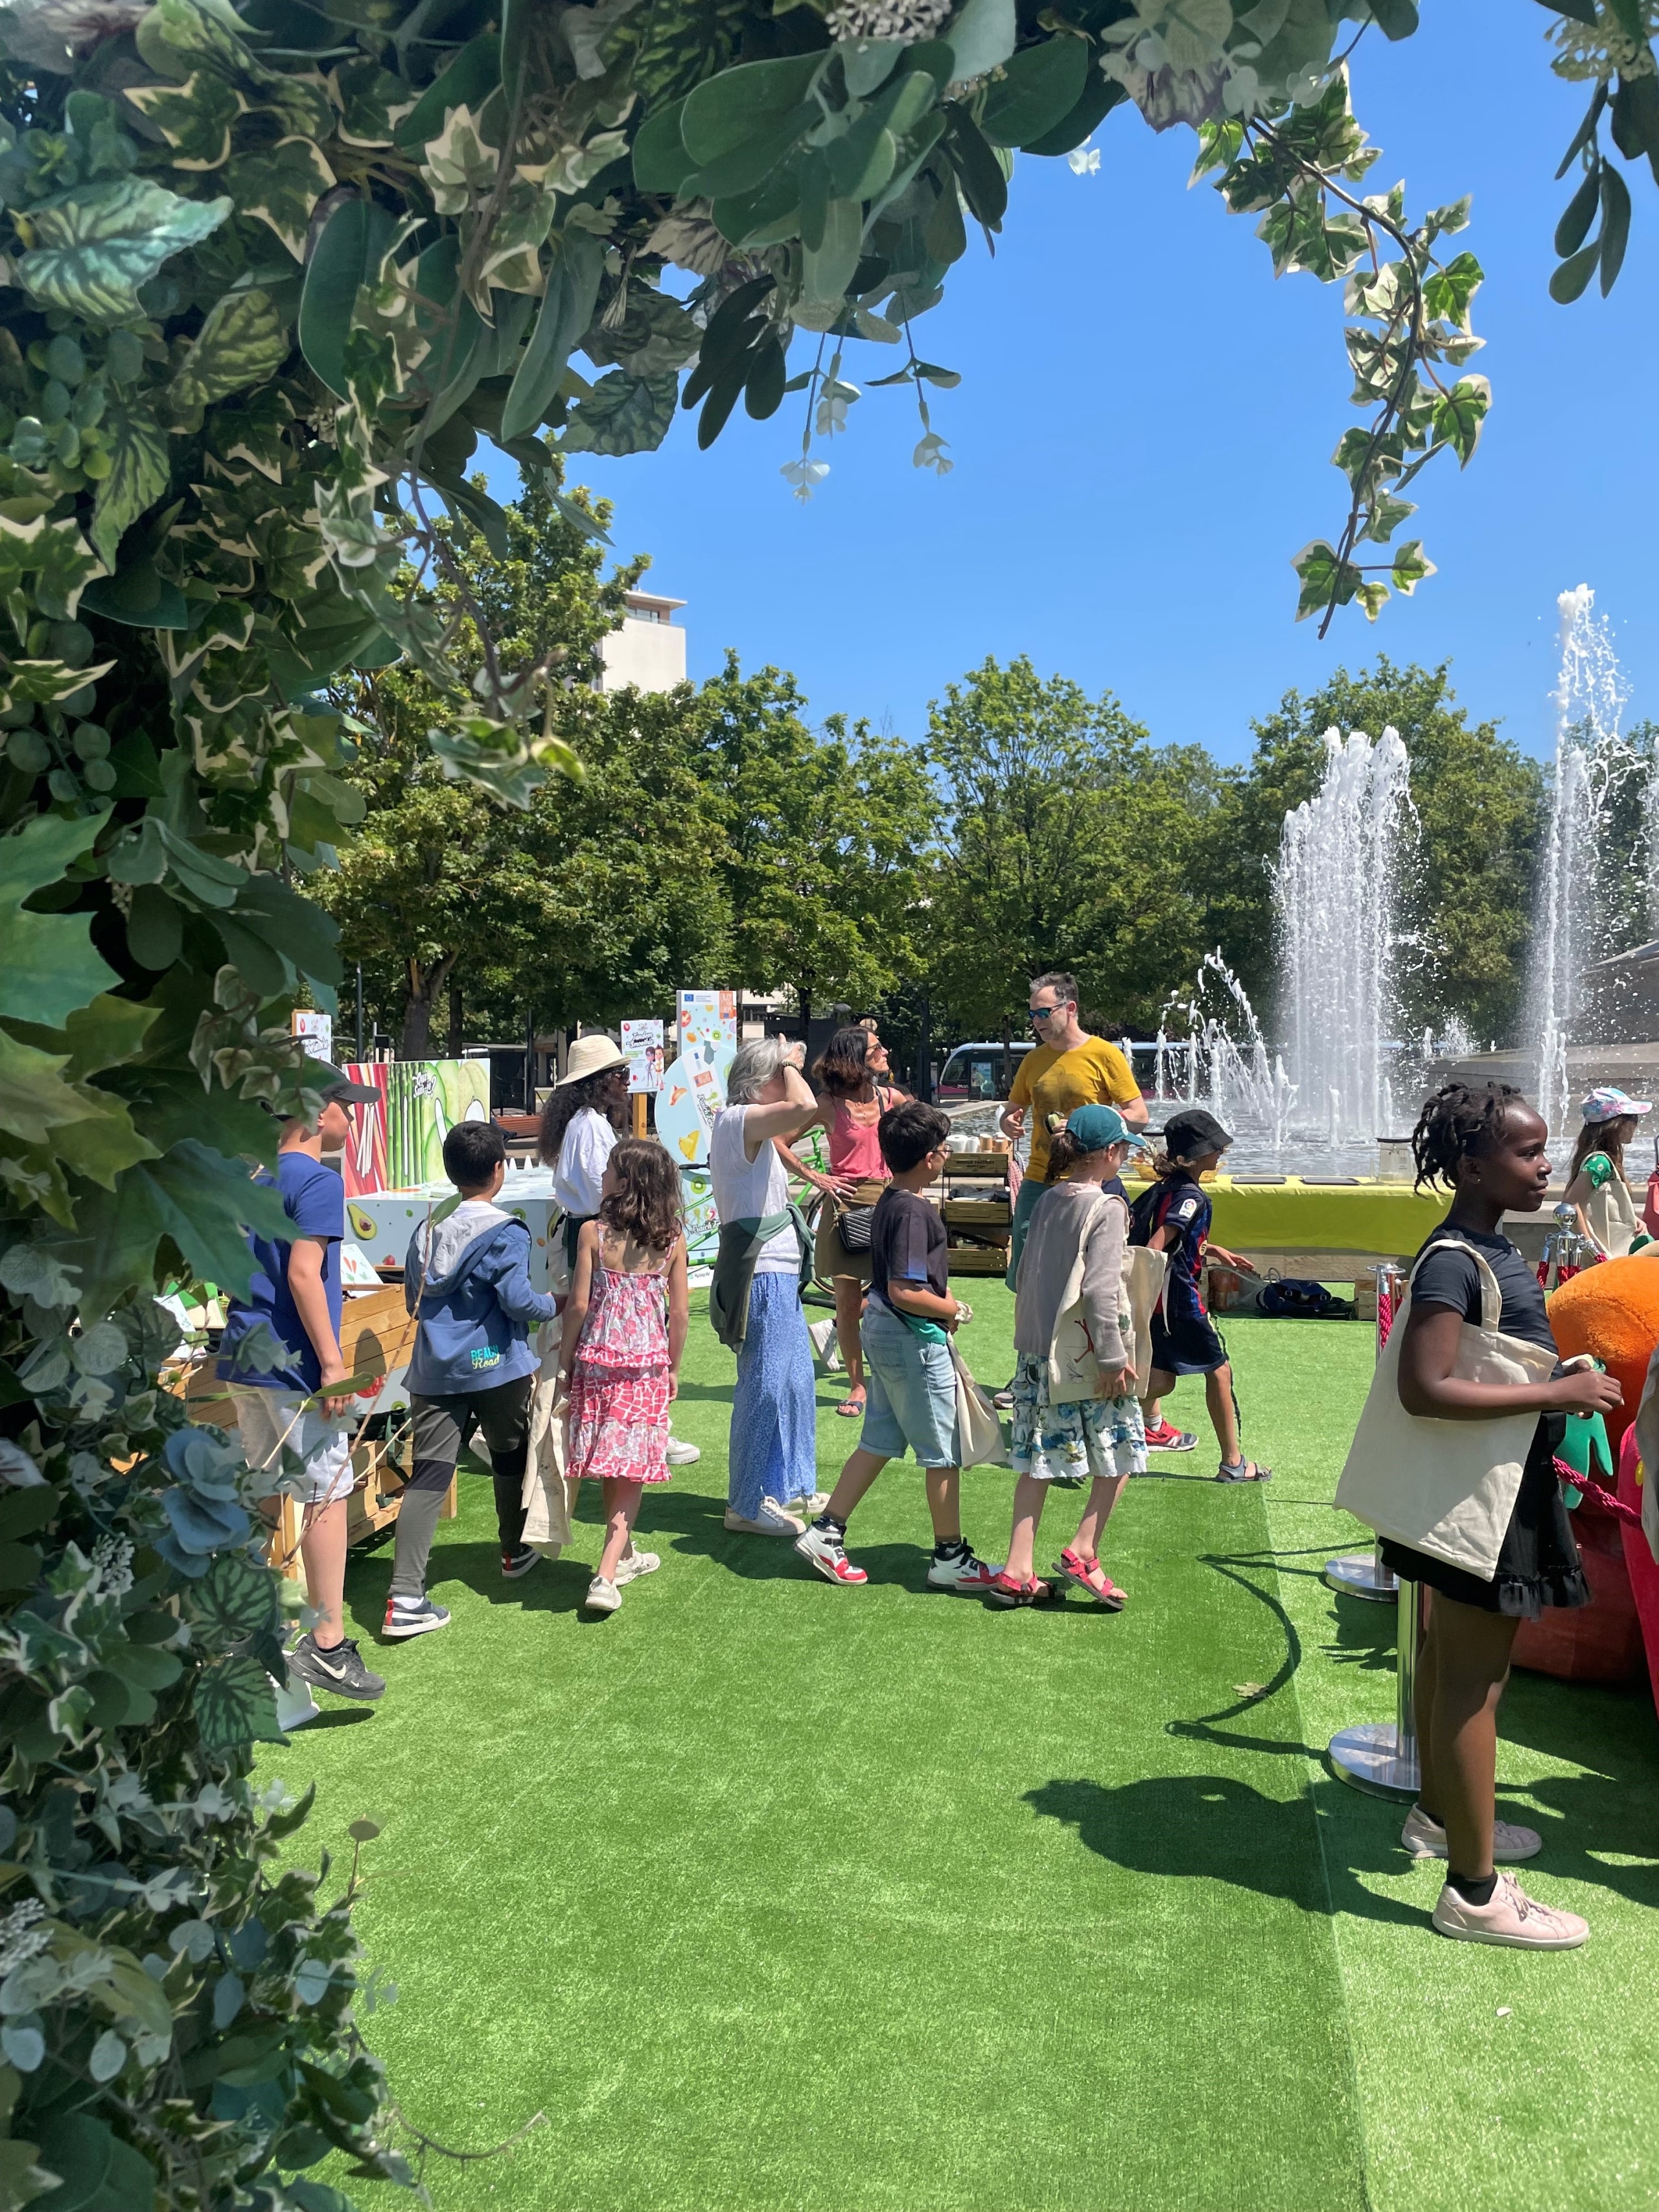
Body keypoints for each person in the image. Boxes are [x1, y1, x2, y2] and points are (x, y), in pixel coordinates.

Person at [1390, 1080, 1620, 1950]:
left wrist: (1549, 1394)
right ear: (1472, 1166)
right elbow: (1425, 1385)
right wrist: (1561, 1389)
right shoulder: (1457, 1256)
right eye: (1527, 1154)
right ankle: (1475, 1892)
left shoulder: (1481, 1244)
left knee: (1456, 1664)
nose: (1544, 1166)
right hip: (1481, 1506)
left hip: (1485, 1491)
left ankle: (1441, 1822)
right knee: (1472, 1686)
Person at [218, 1067, 387, 1704]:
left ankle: (252, 1623)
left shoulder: (249, 1178)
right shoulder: (318, 1179)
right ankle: (327, 1644)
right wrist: (334, 1362)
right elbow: (303, 1273)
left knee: (265, 1489)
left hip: (245, 1354)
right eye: (347, 1103)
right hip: (294, 1362)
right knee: (326, 1491)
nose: (354, 1114)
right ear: (318, 1111)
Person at [793, 1101, 1000, 1592]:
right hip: (911, 1335)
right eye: (943, 1147)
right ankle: (950, 1553)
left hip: (884, 1327)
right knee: (942, 1451)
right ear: (929, 1157)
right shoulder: (913, 1208)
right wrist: (953, 1310)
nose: (947, 1153)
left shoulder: (890, 1199)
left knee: (880, 1440)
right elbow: (909, 1288)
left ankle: (828, 1530)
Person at [382, 1119, 562, 1639]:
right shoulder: (506, 1231)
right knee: (511, 1455)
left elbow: (413, 1294)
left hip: (434, 1370)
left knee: (430, 1475)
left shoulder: (427, 1229)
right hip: (496, 1366)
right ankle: (514, 1548)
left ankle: (404, 1595)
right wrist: (557, 1303)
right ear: (500, 1170)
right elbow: (519, 1302)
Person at [990, 1105, 1149, 1608]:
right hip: (1086, 1351)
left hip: (1039, 1349)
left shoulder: (1048, 1200)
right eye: (1123, 1148)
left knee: (1037, 1458)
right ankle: (1084, 1547)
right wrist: (1113, 1355)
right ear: (1110, 1153)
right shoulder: (1107, 1207)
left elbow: (1030, 1273)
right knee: (1123, 1448)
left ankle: (1018, 1566)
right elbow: (1103, 1289)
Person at [538, 1034, 700, 1469]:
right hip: (592, 1234)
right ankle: (627, 1424)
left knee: (598, 1333)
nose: (627, 1082)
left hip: (586, 1232)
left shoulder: (586, 1122)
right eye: (619, 1075)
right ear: (598, 1082)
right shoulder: (590, 1125)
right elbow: (602, 1191)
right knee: (602, 1332)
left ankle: (621, 1421)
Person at [561, 1139, 689, 1614]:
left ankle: (621, 1555)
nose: (603, 1176)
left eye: (611, 1169)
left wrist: (567, 1358)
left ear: (626, 1182)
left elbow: (578, 1305)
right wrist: (674, 1366)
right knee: (629, 1468)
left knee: (609, 1465)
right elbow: (679, 1313)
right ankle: (608, 1570)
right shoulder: (672, 1238)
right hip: (645, 1364)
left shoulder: (593, 1233)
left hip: (598, 1361)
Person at [709, 1037, 824, 1535]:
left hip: (775, 1268)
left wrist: (787, 1063)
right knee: (764, 1385)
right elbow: (805, 1104)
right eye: (781, 1074)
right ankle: (747, 1501)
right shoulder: (737, 1119)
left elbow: (803, 1112)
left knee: (795, 1381)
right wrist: (791, 1060)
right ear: (760, 1085)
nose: (792, 1079)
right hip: (763, 1271)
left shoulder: (746, 1122)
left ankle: (790, 1482)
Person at [1131, 1108, 1269, 1484]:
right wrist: (1151, 1281)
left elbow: (1161, 1234)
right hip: (1176, 1300)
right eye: (1214, 1148)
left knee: (1161, 1380)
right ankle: (1233, 1463)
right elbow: (1160, 1242)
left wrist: (1211, 1249)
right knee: (1219, 1371)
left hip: (1158, 1300)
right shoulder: (1191, 1196)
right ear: (1192, 1157)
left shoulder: (1162, 1189)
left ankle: (1104, 1415)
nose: (1220, 1153)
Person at [999, 973, 1148, 1296]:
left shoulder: (1105, 1054)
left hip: (1093, 1181)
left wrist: (1086, 1123)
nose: (1036, 1021)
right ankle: (1033, 1343)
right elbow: (1011, 1110)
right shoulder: (1033, 1060)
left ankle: (1083, 1341)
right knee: (1026, 1276)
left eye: (1043, 1012)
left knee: (1090, 1277)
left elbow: (1138, 1116)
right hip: (1039, 1180)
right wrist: (1008, 1122)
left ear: (1070, 1008)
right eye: (1032, 1014)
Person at [791, 1023, 901, 1420]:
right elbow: (777, 1140)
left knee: (898, 1292)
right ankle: (859, 1385)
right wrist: (817, 1177)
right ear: (856, 1059)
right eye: (876, 1047)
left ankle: (847, 1339)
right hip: (847, 1209)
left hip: (891, 1206)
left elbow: (923, 1140)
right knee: (850, 1300)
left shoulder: (892, 1098)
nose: (885, 1051)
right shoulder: (828, 1104)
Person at [1563, 1086, 1651, 1258]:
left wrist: (1633, 1220)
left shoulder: (1605, 1160)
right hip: (1603, 1256)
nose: (1636, 1125)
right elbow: (1570, 1204)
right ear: (1615, 1123)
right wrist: (1593, 1249)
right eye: (1633, 1118)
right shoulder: (1600, 1162)